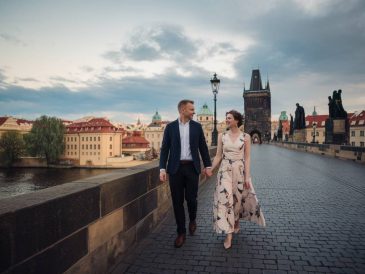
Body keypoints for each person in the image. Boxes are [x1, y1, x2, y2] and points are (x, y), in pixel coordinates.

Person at [159, 99, 212, 248]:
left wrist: (208, 166)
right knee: (177, 202)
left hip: (192, 168)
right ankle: (181, 232)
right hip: (175, 169)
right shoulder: (170, 127)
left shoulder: (197, 127)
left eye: (193, 109)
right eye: (191, 109)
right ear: (182, 110)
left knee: (192, 199)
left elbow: (203, 148)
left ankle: (193, 219)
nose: (194, 112)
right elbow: (164, 149)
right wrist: (162, 169)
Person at [211, 110, 266, 249]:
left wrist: (247, 176)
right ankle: (228, 235)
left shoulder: (246, 137)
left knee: (237, 200)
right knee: (226, 200)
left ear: (236, 120)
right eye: (226, 118)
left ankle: (235, 220)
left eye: (229, 118)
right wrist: (210, 169)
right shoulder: (221, 135)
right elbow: (218, 155)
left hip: (239, 172)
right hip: (225, 171)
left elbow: (247, 158)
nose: (226, 120)